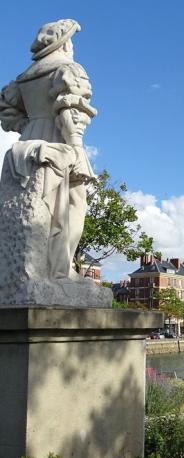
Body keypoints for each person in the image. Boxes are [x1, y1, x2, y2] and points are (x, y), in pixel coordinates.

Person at [0, 19, 96, 279]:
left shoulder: (23, 80)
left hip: (27, 142)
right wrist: (75, 146)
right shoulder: (67, 69)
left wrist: (28, 127)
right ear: (63, 43)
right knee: (75, 202)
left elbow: (7, 112)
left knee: (46, 207)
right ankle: (61, 270)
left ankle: (51, 269)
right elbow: (70, 109)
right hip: (59, 140)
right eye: (71, 41)